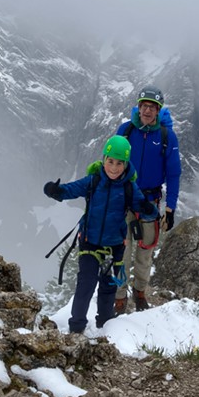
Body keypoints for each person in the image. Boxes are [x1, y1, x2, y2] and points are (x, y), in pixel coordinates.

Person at [43, 135, 158, 334]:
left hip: (115, 247)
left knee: (108, 287)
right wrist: (56, 191)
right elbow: (73, 189)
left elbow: (144, 207)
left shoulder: (129, 188)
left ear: (126, 163)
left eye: (119, 163)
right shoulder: (94, 181)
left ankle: (106, 326)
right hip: (90, 242)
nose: (113, 167)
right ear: (104, 159)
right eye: (110, 161)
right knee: (86, 283)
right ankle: (76, 328)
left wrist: (150, 209)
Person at [114, 85, 181, 313]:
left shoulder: (165, 136)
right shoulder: (125, 131)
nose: (147, 111)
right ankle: (119, 297)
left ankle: (140, 293)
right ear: (138, 107)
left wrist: (170, 208)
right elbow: (109, 163)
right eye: (144, 106)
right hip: (123, 200)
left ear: (159, 111)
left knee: (145, 251)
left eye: (152, 107)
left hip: (149, 203)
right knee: (121, 252)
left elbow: (173, 173)